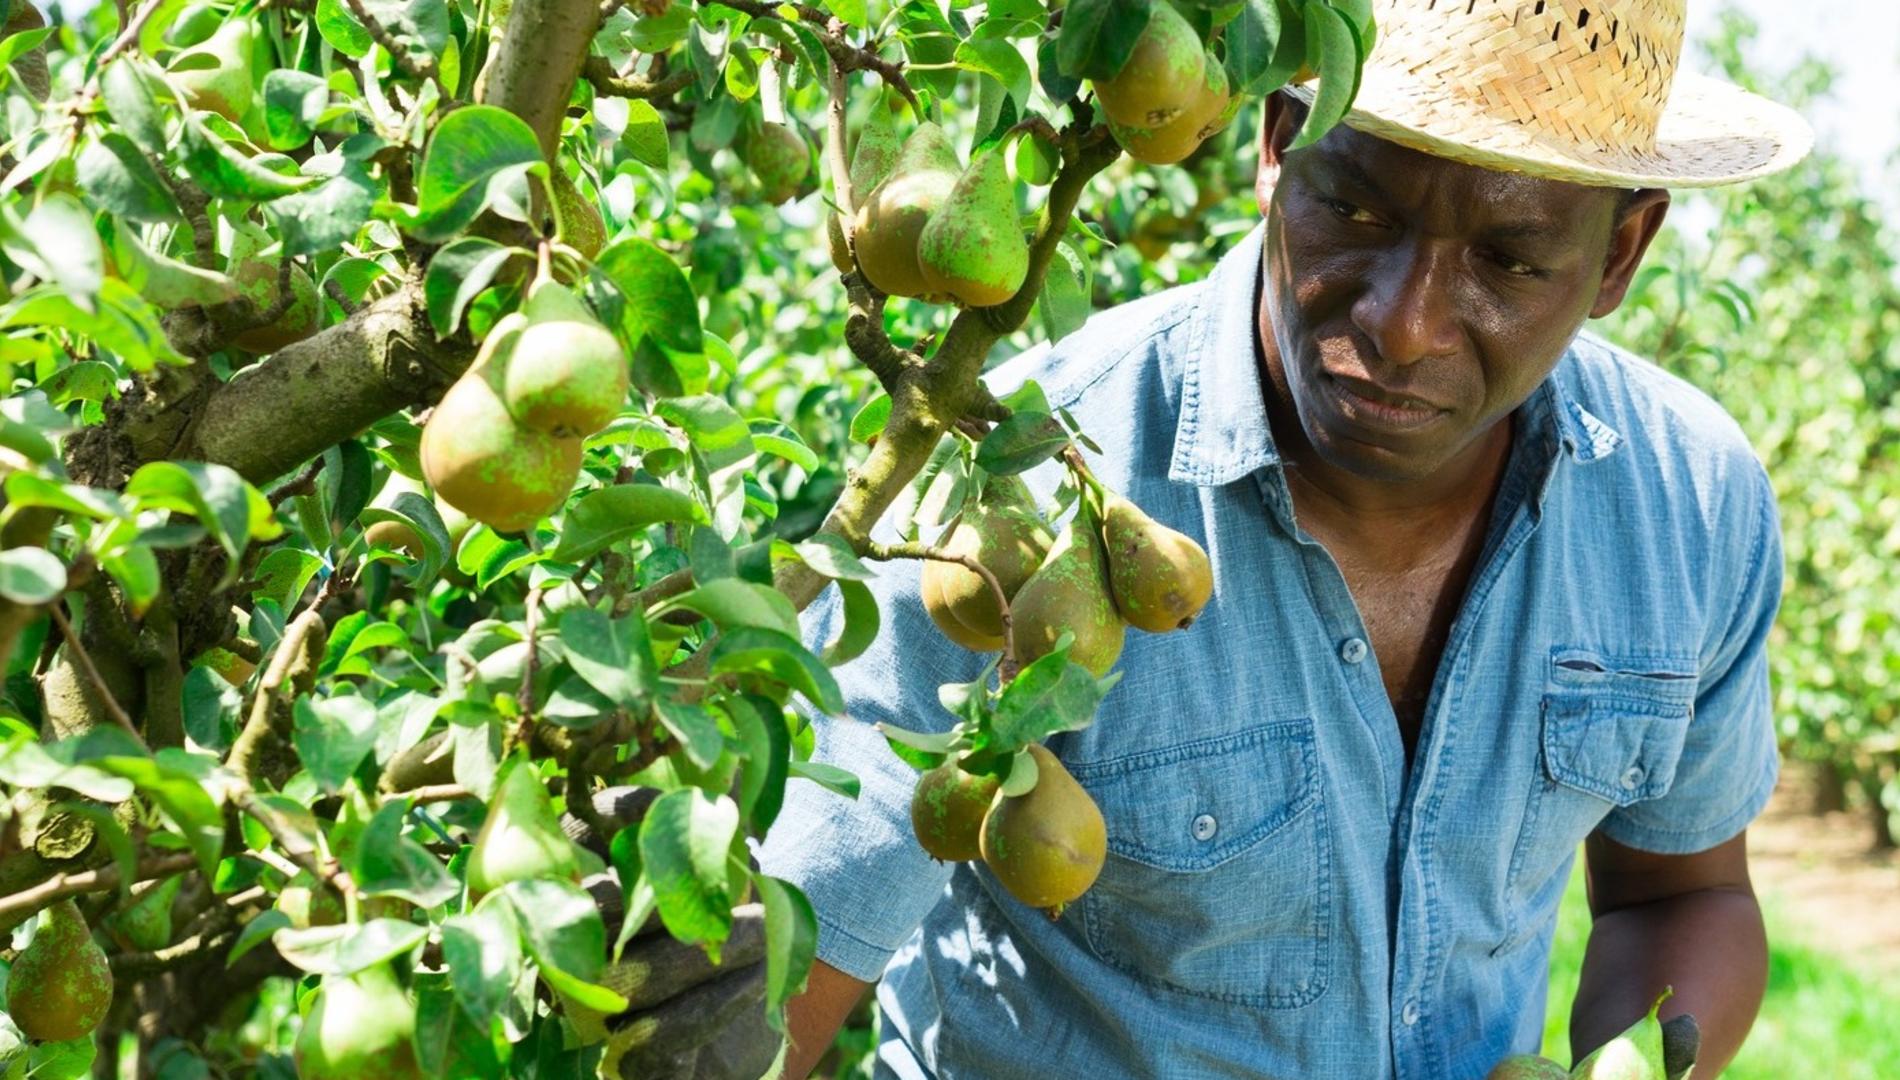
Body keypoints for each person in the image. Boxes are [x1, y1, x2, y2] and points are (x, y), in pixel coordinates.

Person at [630, 0, 1815, 1076]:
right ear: (1276, 145)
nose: (1400, 327)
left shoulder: (1684, 505)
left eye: (1506, 260)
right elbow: (774, 989)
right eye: (1356, 208)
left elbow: (1682, 895)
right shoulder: (1009, 500)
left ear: (1617, 254)